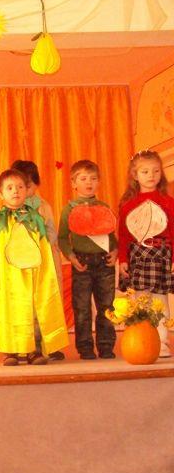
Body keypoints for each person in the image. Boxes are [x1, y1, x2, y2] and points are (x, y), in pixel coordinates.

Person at [0, 169, 68, 365]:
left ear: (27, 190)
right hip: (9, 278)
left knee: (32, 311)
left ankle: (33, 350)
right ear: (0, 194)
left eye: (19, 187)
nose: (15, 191)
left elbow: (43, 248)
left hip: (31, 275)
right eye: (9, 188)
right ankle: (10, 351)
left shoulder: (35, 218)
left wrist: (42, 273)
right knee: (9, 310)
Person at [57, 160, 118, 359]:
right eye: (83, 179)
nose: (88, 182)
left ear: (99, 182)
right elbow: (62, 238)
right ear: (74, 183)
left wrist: (115, 251)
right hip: (81, 263)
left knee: (106, 306)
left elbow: (110, 235)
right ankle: (84, 347)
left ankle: (106, 345)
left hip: (104, 263)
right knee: (82, 308)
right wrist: (71, 257)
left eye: (93, 178)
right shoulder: (69, 209)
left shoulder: (104, 207)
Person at [117, 150, 174, 357]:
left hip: (161, 255)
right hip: (138, 256)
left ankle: (161, 341)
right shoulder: (128, 204)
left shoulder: (168, 202)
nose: (151, 175)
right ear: (135, 175)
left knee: (159, 300)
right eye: (145, 171)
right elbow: (123, 235)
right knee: (141, 299)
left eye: (156, 171)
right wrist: (123, 259)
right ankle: (143, 340)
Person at [12, 159, 65, 361]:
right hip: (24, 264)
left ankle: (49, 345)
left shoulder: (43, 206)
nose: (25, 190)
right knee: (26, 305)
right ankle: (26, 346)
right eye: (20, 186)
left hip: (46, 261)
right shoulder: (11, 209)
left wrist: (44, 244)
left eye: (29, 185)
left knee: (48, 302)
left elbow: (51, 232)